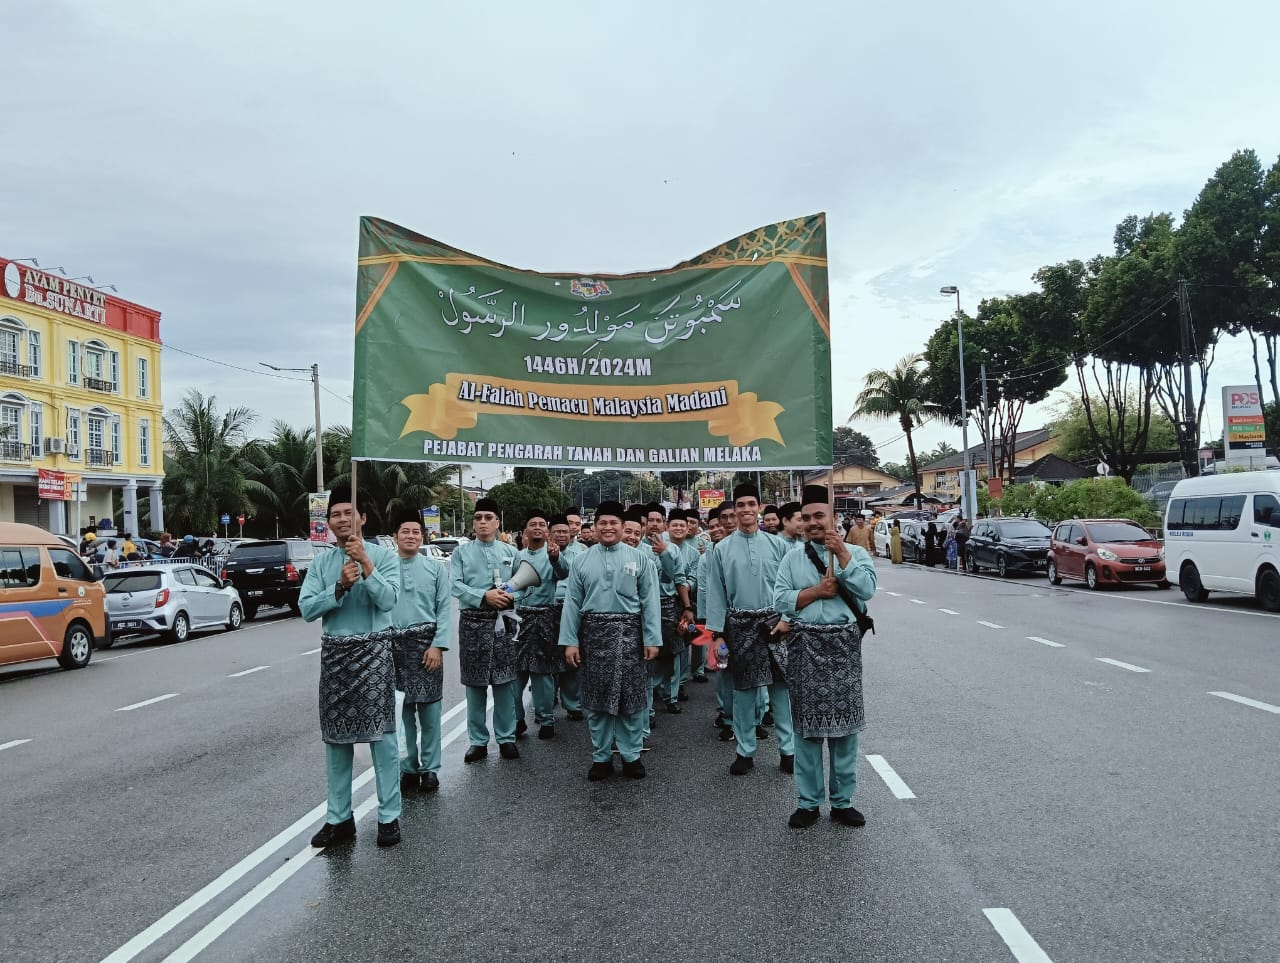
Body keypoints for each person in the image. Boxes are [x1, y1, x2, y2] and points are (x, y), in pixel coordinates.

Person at [300, 485, 403, 848]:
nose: (342, 520)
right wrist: (339, 587)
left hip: (374, 653)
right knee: (336, 741)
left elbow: (389, 600)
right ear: (328, 522)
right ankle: (339, 819)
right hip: (336, 655)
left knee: (383, 739)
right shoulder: (323, 563)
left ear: (362, 518)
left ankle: (389, 816)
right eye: (335, 514)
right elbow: (307, 609)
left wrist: (367, 566)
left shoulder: (384, 557)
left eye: (349, 513)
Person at [774, 485, 877, 829]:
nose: (813, 523)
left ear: (834, 518)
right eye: (807, 518)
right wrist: (817, 591)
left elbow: (867, 591)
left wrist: (843, 557)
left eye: (820, 516)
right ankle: (807, 802)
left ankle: (843, 801)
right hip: (805, 648)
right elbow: (781, 600)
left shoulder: (857, 554)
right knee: (806, 733)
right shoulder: (791, 558)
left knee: (845, 733)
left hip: (844, 647)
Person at [559, 501, 662, 780]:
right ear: (594, 527)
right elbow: (572, 604)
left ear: (622, 526)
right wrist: (570, 641)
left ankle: (631, 756)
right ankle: (601, 756)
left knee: (631, 700)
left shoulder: (641, 559)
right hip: (593, 638)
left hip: (631, 636)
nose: (607, 528)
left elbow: (650, 602)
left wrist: (652, 639)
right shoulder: (581, 561)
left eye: (613, 523)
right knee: (595, 701)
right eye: (602, 523)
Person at [704, 483, 795, 776]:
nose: (745, 510)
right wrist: (717, 634)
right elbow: (716, 593)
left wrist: (788, 620)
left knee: (781, 691)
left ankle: (789, 750)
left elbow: (791, 588)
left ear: (759, 507)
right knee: (743, 693)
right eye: (740, 505)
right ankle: (745, 751)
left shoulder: (778, 545)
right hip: (739, 627)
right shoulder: (720, 549)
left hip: (775, 624)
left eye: (750, 504)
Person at [386, 506, 451, 794]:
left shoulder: (436, 568)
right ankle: (408, 767)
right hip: (392, 648)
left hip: (427, 646)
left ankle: (430, 769)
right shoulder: (384, 568)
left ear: (423, 535)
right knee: (402, 713)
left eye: (416, 531)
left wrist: (438, 645)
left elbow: (445, 610)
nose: (411, 536)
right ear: (394, 536)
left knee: (430, 713)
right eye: (405, 532)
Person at [451, 497, 521, 762]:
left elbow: (523, 584)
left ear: (497, 522)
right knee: (475, 684)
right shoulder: (461, 553)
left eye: (488, 517)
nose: (483, 522)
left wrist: (511, 596)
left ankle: (506, 738)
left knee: (504, 683)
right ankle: (478, 741)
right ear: (473, 522)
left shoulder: (510, 552)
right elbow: (455, 585)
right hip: (472, 622)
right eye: (478, 517)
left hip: (504, 621)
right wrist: (483, 596)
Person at [513, 509, 570, 740]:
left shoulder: (553, 553)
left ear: (546, 530)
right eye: (532, 524)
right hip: (520, 617)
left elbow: (564, 572)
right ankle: (517, 720)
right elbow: (513, 585)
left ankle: (546, 719)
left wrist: (555, 558)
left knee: (542, 674)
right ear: (525, 530)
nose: (537, 527)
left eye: (541, 524)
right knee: (516, 673)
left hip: (545, 616)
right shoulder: (518, 555)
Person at [549, 513, 586, 722]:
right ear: (550, 533)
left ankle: (573, 703)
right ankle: (547, 701)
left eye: (566, 530)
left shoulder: (583, 552)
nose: (562, 534)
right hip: (548, 608)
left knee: (572, 657)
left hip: (573, 608)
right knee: (548, 658)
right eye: (558, 531)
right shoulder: (537, 552)